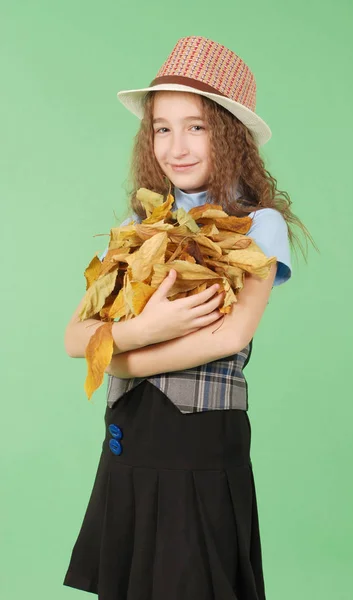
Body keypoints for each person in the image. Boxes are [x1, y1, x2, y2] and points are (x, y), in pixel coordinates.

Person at [63, 36, 314, 599]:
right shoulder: (141, 222)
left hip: (198, 447)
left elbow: (231, 335)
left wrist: (123, 357)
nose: (176, 146)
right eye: (162, 127)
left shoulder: (259, 225)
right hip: (130, 443)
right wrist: (141, 331)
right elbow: (74, 337)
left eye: (196, 126)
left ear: (228, 134)